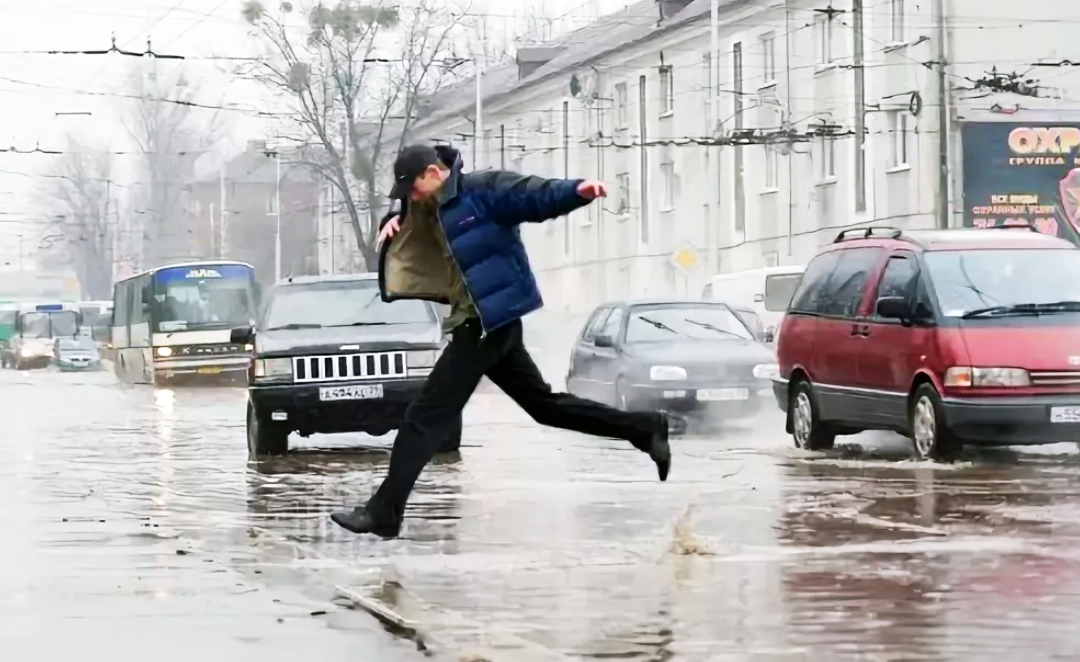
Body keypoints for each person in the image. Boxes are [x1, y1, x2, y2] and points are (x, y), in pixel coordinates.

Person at [330, 143, 671, 538]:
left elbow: (530, 194)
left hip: (484, 324)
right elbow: (414, 221)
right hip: (489, 324)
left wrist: (576, 191)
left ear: (431, 172)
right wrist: (394, 216)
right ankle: (645, 429)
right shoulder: (428, 204)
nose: (412, 195)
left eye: (412, 188)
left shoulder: (482, 191)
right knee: (545, 407)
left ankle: (384, 513)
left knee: (424, 419)